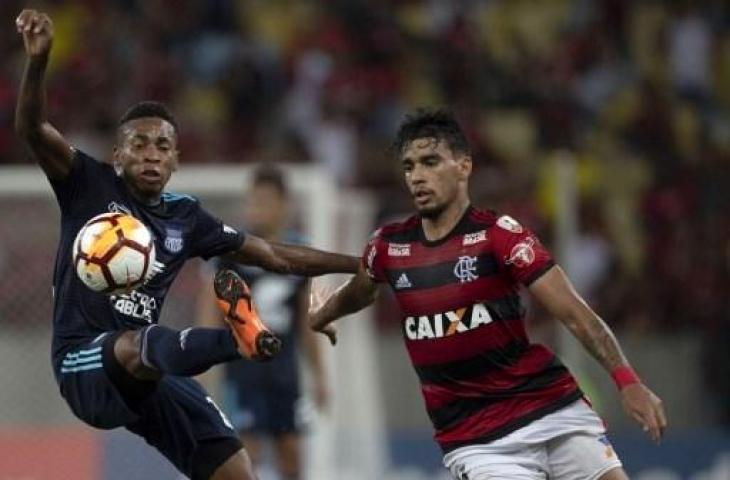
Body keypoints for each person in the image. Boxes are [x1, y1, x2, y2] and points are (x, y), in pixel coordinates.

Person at [14, 9, 358, 480]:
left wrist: (361, 263)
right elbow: (32, 130)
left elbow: (274, 254)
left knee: (235, 470)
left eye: (161, 146)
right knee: (144, 342)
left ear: (176, 159)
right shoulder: (86, 184)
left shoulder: (186, 217)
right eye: (138, 144)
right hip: (84, 365)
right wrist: (39, 61)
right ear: (118, 155)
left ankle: (243, 339)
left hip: (153, 372)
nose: (151, 153)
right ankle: (240, 341)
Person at [309, 109, 667, 480]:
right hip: (478, 440)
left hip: (549, 407)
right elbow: (359, 292)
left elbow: (575, 312)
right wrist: (322, 316)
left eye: (430, 162)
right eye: (409, 166)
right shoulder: (389, 246)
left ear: (463, 166)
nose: (417, 175)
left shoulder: (500, 236)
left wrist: (628, 380)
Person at [199, 165, 328, 479]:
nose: (256, 208)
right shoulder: (229, 251)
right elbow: (208, 313)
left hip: (285, 373)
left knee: (291, 455)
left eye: (265, 201)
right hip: (243, 373)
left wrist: (320, 376)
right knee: (247, 454)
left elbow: (306, 323)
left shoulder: (299, 253)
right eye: (252, 200)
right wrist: (201, 370)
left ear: (284, 205)